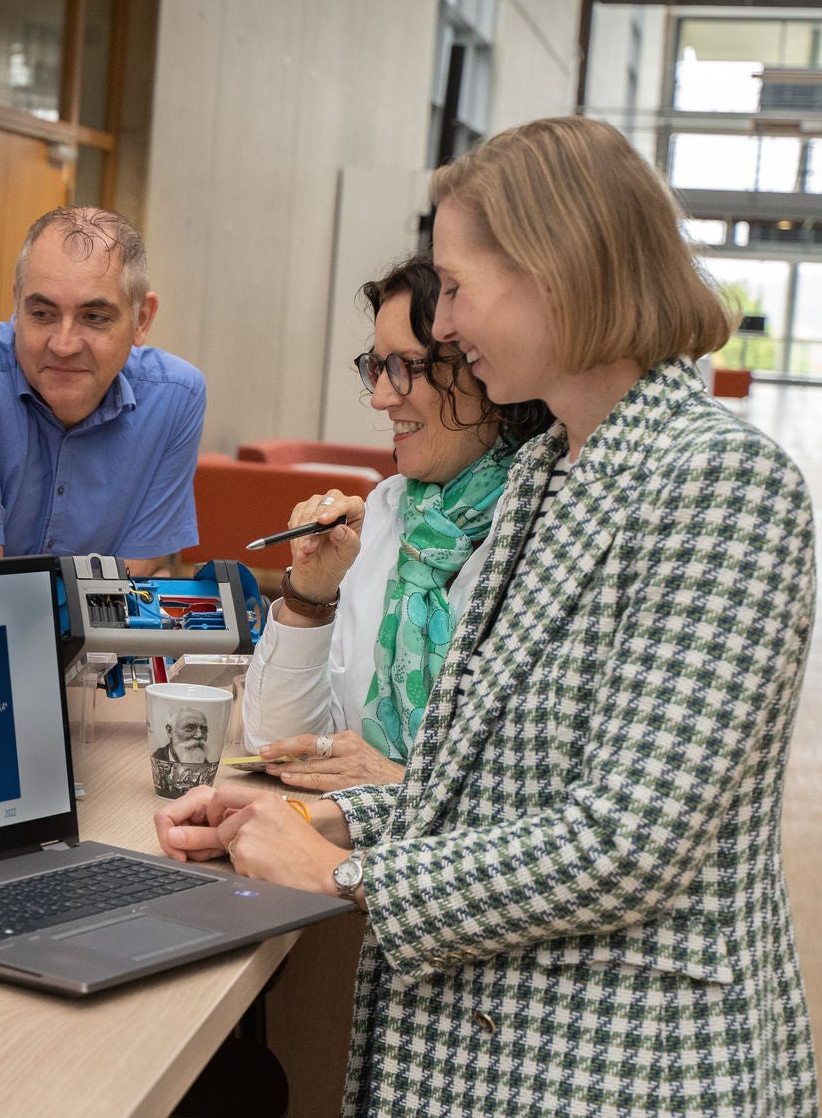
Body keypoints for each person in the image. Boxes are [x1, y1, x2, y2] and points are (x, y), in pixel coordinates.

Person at [157, 117, 817, 1114]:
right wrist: (310, 815)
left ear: (555, 272)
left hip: (625, 1061)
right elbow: (485, 785)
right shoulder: (549, 471)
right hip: (515, 1038)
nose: (450, 325)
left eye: (459, 288)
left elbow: (626, 842)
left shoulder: (720, 481)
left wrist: (345, 874)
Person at [239, 254, 550, 791]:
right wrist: (310, 596)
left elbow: (540, 797)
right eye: (377, 367)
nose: (381, 397)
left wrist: (397, 785)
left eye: (407, 366)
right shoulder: (387, 511)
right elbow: (277, 743)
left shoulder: (548, 528)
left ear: (487, 366)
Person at [0, 205, 203, 576]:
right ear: (17, 306)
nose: (63, 345)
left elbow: (130, 577)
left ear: (141, 319)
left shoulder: (176, 396)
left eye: (94, 318)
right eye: (42, 314)